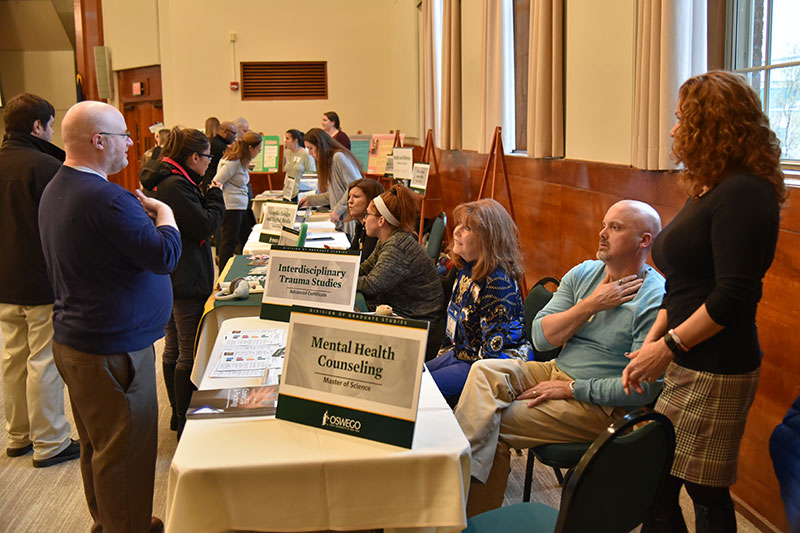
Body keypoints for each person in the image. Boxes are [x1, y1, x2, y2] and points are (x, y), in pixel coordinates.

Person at [622, 71, 785, 533]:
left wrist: (667, 346)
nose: (673, 131)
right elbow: (686, 285)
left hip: (717, 363)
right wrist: (652, 342)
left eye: (680, 119)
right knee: (665, 484)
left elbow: (733, 296)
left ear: (710, 124)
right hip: (687, 355)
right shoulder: (710, 188)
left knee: (699, 491)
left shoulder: (745, 193)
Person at [455, 200, 664, 517]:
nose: (602, 233)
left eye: (615, 227)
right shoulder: (585, 274)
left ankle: (468, 513)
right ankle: (455, 483)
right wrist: (591, 304)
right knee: (485, 371)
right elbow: (540, 336)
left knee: (492, 422)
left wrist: (571, 389)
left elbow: (642, 390)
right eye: (604, 224)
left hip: (603, 404)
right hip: (556, 369)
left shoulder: (654, 297)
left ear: (644, 241)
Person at [39, 100, 181, 532]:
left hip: (79, 340)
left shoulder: (58, 186)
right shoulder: (106, 197)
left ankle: (113, 520)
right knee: (126, 454)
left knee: (99, 447)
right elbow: (164, 255)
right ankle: (128, 526)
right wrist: (165, 214)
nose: (131, 142)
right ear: (99, 141)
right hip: (112, 349)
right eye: (123, 134)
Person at [0, 93, 79, 468]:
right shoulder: (46, 167)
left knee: (12, 358)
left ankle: (18, 436)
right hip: (42, 282)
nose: (52, 133)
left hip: (4, 282)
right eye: (50, 125)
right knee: (44, 361)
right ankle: (50, 441)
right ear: (37, 126)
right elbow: (64, 227)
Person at [139, 127, 225, 439]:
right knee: (186, 350)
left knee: (174, 346)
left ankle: (178, 416)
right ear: (193, 157)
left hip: (172, 273)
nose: (209, 162)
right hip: (185, 276)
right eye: (207, 157)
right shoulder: (176, 185)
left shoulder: (165, 179)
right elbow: (204, 225)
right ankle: (185, 424)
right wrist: (215, 194)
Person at [426, 199, 531, 404]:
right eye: (459, 225)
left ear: (487, 239)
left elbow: (490, 354)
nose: (456, 232)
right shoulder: (467, 268)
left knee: (422, 391)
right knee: (412, 381)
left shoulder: (497, 282)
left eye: (466, 228)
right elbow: (453, 325)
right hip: (465, 354)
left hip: (492, 363)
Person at [357, 185, 446, 359]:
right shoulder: (388, 239)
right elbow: (364, 269)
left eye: (367, 215)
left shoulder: (397, 246)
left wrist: (341, 280)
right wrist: (341, 273)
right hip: (407, 314)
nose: (363, 220)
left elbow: (372, 284)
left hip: (419, 324)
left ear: (381, 220)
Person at [299, 128, 362, 235]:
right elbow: (335, 194)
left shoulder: (338, 157)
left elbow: (356, 187)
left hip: (351, 219)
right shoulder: (330, 161)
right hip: (343, 219)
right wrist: (311, 200)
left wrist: (337, 210)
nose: (309, 153)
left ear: (320, 145)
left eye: (311, 148)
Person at [215, 130, 262, 270]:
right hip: (232, 208)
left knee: (246, 240)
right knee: (229, 244)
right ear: (250, 148)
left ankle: (243, 270)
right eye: (258, 150)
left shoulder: (240, 161)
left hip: (240, 207)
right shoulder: (233, 162)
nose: (258, 153)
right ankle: (223, 276)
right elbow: (217, 181)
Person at [346, 178, 384, 262]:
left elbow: (363, 260)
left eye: (356, 197)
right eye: (349, 197)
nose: (350, 201)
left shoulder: (374, 228)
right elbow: (353, 252)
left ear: (372, 200)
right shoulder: (360, 224)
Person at [282, 129, 316, 200]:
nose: (285, 141)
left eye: (287, 138)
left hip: (301, 191)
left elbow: (311, 174)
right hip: (288, 191)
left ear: (295, 140)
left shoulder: (305, 154)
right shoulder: (287, 153)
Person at [203, 120, 235, 185]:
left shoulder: (212, 142)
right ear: (225, 131)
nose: (235, 136)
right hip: (214, 183)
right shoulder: (221, 147)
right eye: (233, 133)